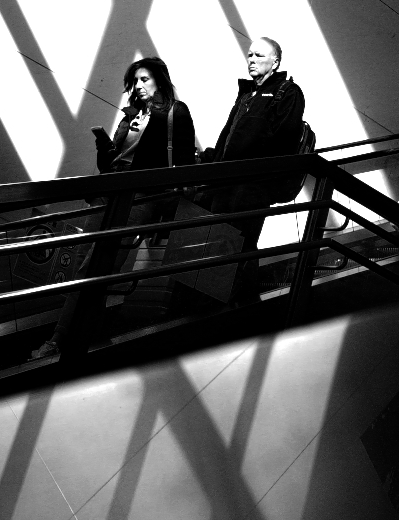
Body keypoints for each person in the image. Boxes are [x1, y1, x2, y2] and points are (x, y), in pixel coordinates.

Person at [30, 57, 195, 358]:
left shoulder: (175, 111)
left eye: (145, 79)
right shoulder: (130, 114)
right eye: (135, 81)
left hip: (140, 197)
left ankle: (58, 339)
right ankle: (90, 335)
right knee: (86, 266)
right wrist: (104, 148)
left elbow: (184, 161)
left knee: (96, 267)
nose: (139, 86)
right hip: (108, 194)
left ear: (160, 80)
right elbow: (109, 163)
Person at [199, 37, 305, 301]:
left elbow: (285, 140)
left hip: (253, 187)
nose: (252, 60)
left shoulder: (287, 91)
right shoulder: (246, 94)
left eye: (259, 55)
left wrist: (259, 177)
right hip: (225, 184)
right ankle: (236, 302)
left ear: (275, 62)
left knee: (241, 244)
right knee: (225, 244)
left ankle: (241, 305)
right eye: (249, 55)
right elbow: (227, 139)